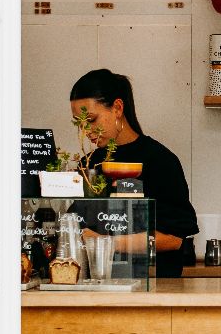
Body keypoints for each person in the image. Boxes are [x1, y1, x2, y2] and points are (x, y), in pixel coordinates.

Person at [69, 68, 197, 278]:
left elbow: (174, 239)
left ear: (117, 108)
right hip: (97, 287)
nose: (86, 130)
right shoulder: (88, 165)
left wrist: (106, 243)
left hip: (153, 289)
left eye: (91, 120)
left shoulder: (159, 160)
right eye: (79, 123)